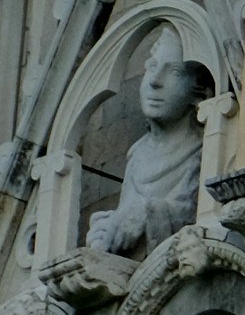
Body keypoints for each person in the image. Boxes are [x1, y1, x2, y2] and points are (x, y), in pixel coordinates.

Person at [86, 34, 212, 254]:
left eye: (174, 71)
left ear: (200, 93)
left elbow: (196, 219)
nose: (154, 81)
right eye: (152, 67)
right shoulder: (137, 153)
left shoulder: (205, 147)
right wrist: (107, 229)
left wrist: (146, 214)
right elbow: (127, 221)